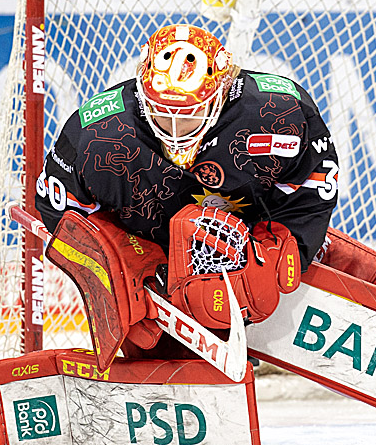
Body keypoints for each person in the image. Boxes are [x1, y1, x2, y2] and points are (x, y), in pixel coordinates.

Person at [36, 22, 339, 358]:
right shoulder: (98, 134)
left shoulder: (279, 111)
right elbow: (57, 207)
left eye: (191, 112)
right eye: (163, 112)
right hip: (151, 267)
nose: (177, 126)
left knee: (305, 272)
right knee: (155, 357)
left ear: (223, 92)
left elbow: (314, 179)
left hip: (243, 246)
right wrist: (123, 263)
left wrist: (285, 243)